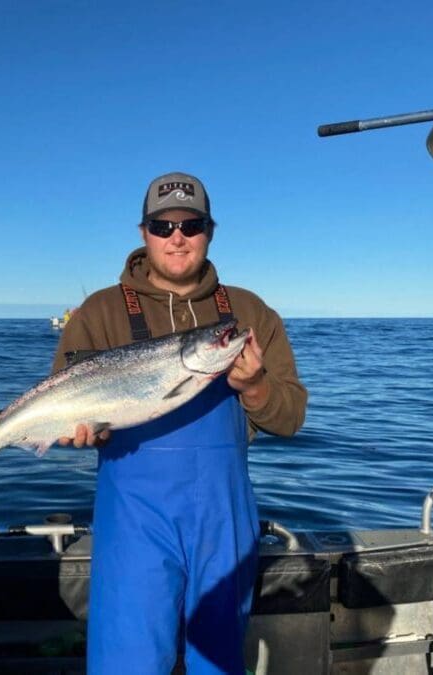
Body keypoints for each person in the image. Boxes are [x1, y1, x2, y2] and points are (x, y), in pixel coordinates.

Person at [53, 172, 307, 674]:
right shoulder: (99, 312)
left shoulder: (249, 312)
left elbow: (291, 416)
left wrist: (254, 387)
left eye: (191, 224)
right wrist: (82, 431)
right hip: (134, 519)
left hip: (223, 515)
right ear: (143, 231)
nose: (177, 237)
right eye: (162, 224)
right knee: (128, 657)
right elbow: (65, 404)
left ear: (210, 230)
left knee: (218, 657)